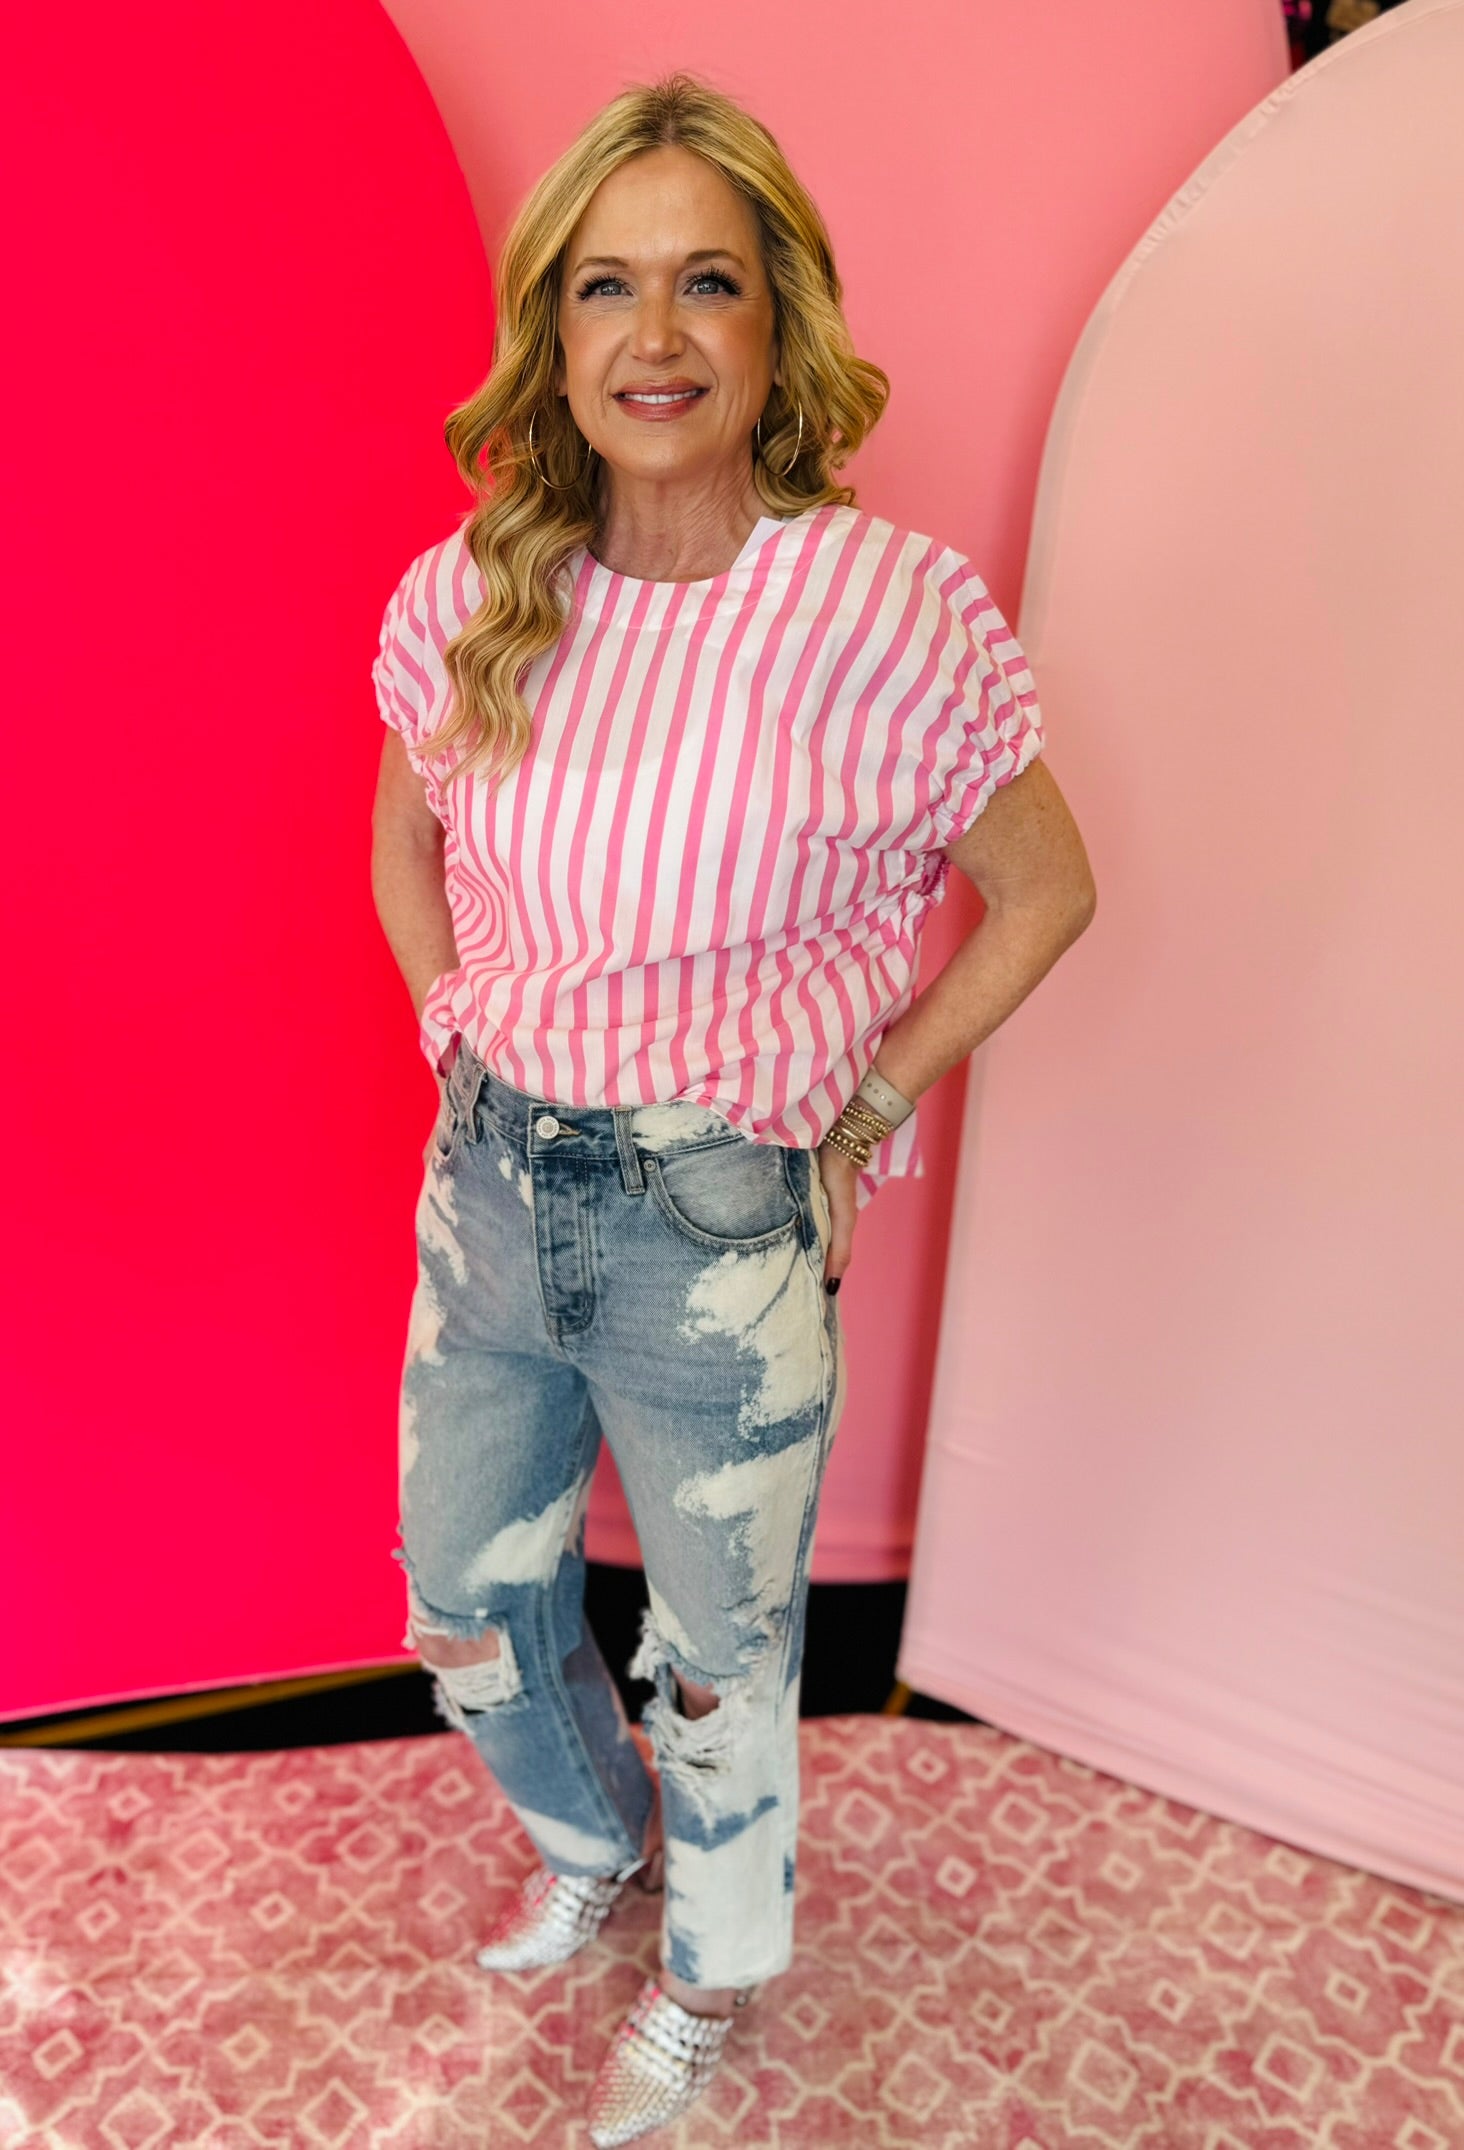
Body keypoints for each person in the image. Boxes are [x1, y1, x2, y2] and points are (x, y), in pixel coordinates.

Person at [369, 71, 1096, 2146]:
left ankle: (709, 1974)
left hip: (715, 1227)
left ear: (780, 323)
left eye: (707, 282)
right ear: (554, 331)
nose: (655, 336)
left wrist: (858, 1112)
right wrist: (455, 1040)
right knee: (462, 1601)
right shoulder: (475, 590)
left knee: (721, 1652)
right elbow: (403, 846)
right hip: (489, 1189)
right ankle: (594, 1849)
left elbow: (1050, 890)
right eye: (606, 287)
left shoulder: (884, 614)